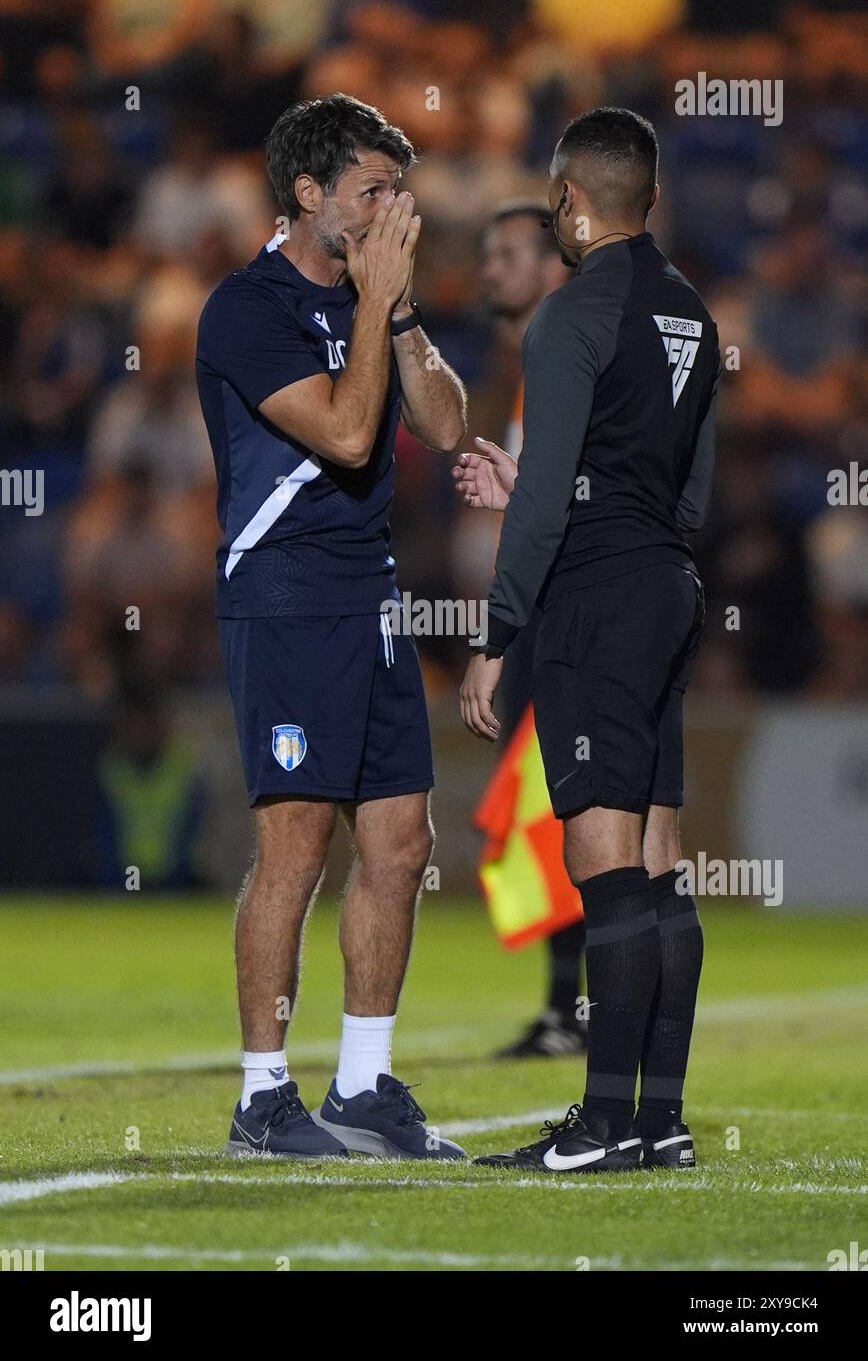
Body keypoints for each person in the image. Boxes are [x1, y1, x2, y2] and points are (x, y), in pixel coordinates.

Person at [196, 93, 468, 1160]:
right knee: (296, 848)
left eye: (398, 189)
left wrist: (395, 310)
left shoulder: (374, 294)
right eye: (370, 191)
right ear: (306, 195)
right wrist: (376, 301)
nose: (391, 210)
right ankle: (264, 1096)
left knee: (401, 844)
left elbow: (445, 424)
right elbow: (353, 437)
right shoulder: (245, 309)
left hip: (371, 591)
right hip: (285, 592)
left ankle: (363, 1084)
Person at [457, 107, 720, 1174]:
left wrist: (496, 631)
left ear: (567, 201)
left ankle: (602, 1125)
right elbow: (688, 489)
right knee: (658, 859)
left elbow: (543, 513)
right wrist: (607, 519)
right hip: (666, 584)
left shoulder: (568, 317)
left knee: (599, 859)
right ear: (648, 198)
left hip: (591, 601)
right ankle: (659, 1120)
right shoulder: (694, 313)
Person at [466, 200, 588, 1058]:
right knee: (558, 815)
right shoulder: (533, 368)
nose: (488, 270)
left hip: (569, 617)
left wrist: (499, 633)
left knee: (578, 813)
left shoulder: (566, 358)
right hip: (552, 615)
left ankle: (583, 1012)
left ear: (555, 267)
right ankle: (567, 1008)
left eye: (506, 254)